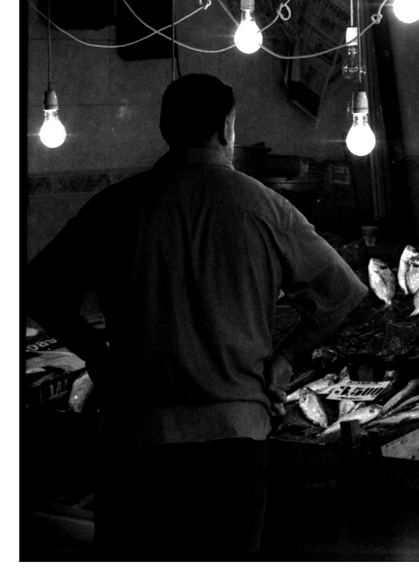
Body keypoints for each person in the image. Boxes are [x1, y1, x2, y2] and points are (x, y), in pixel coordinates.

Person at [25, 73, 369, 560]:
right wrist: (285, 357)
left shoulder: (117, 207)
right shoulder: (265, 207)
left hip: (139, 442)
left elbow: (38, 290)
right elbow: (342, 294)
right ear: (227, 129)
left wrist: (96, 354)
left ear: (164, 128)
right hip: (234, 442)